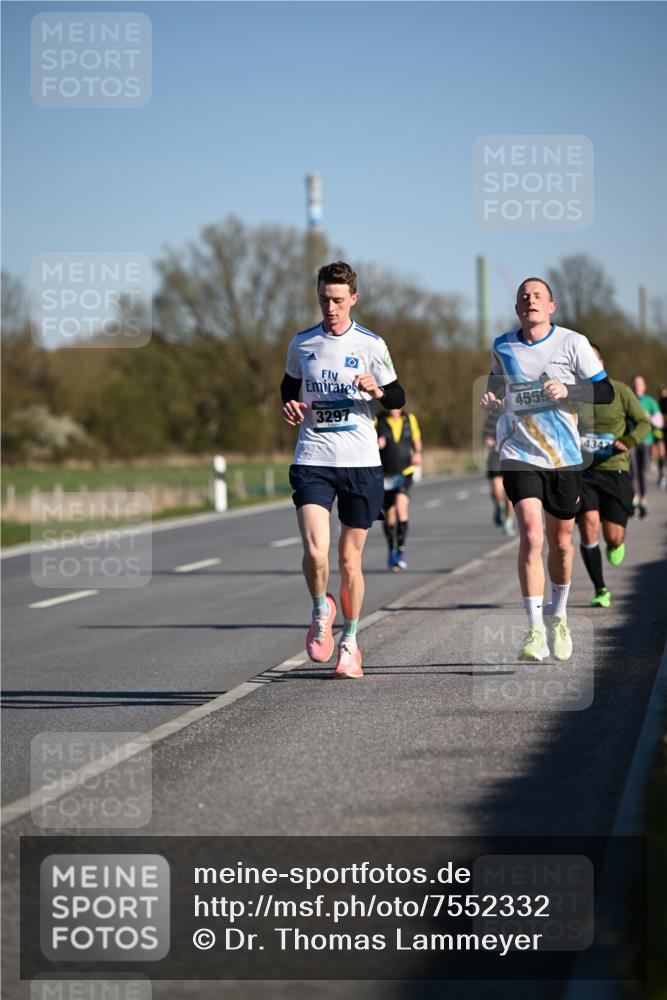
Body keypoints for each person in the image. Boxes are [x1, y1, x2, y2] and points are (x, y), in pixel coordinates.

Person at [281, 261, 405, 679]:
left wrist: (378, 389)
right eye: (323, 299)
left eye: (337, 300)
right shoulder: (302, 343)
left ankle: (350, 642)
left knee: (350, 560)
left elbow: (397, 396)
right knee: (316, 551)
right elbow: (288, 384)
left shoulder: (371, 343)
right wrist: (291, 404)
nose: (329, 308)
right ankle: (321, 611)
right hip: (313, 458)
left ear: (353, 298)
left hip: (360, 462)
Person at [480, 277, 614, 662]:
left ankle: (559, 616)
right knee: (532, 535)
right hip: (520, 453)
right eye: (524, 297)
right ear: (518, 308)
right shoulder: (503, 345)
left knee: (560, 544)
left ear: (551, 306)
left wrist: (567, 391)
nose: (530, 301)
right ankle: (535, 628)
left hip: (564, 457)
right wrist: (492, 397)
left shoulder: (573, 343)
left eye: (538, 296)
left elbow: (604, 392)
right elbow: (497, 384)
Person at [576, 345, 650, 607]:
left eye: (591, 360)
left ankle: (616, 543)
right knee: (588, 525)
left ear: (600, 362)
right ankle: (600, 589)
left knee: (613, 536)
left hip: (615, 469)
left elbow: (643, 422)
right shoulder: (574, 393)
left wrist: (628, 440)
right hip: (584, 472)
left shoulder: (620, 391)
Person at [376, 407, 422, 569]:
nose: (392, 408)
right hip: (385, 473)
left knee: (401, 508)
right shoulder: (378, 420)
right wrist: (376, 442)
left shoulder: (410, 419)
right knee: (389, 514)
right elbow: (367, 440)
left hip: (405, 471)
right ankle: (392, 551)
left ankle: (400, 550)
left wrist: (418, 453)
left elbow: (416, 439)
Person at [629, 375, 662, 517]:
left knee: (642, 471)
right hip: (631, 440)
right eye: (635, 384)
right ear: (632, 385)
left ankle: (643, 500)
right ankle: (633, 499)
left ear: (644, 386)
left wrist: (650, 417)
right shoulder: (629, 399)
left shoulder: (650, 401)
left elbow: (660, 422)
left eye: (640, 384)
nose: (637, 386)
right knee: (632, 471)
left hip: (646, 440)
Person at [482, 407, 515, 536]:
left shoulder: (519, 412)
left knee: (509, 495)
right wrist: (488, 440)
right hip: (496, 455)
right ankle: (498, 507)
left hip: (513, 456)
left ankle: (508, 522)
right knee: (496, 491)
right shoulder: (493, 416)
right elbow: (486, 436)